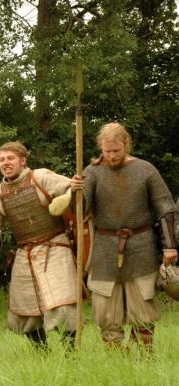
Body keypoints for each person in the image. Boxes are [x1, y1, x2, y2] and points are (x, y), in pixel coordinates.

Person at [70, 122, 177, 351]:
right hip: (105, 247)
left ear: (126, 144)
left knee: (143, 307)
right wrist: (76, 192)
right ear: (101, 147)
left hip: (141, 245)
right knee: (105, 309)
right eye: (107, 151)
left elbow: (165, 208)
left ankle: (145, 357)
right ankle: (117, 359)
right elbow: (80, 210)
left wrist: (169, 245)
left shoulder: (145, 169)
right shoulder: (92, 172)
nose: (111, 156)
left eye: (116, 150)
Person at [0, 141, 77, 349]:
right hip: (25, 252)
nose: (5, 163)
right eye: (2, 160)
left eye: (10, 158)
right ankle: (41, 353)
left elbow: (71, 189)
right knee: (25, 308)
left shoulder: (41, 177)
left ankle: (70, 354)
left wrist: (74, 189)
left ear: (23, 161)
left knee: (64, 302)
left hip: (56, 247)